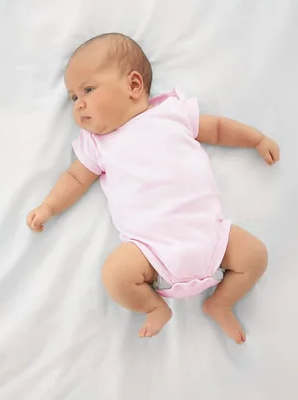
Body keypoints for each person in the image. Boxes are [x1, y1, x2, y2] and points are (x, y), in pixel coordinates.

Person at [26, 33, 280, 344]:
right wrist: (49, 207)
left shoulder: (173, 113)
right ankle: (154, 306)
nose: (79, 104)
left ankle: (221, 302)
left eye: (88, 90)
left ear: (133, 85)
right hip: (149, 248)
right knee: (115, 276)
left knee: (255, 256)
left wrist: (256, 139)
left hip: (209, 235)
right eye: (73, 97)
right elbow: (75, 179)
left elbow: (218, 129)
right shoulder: (97, 145)